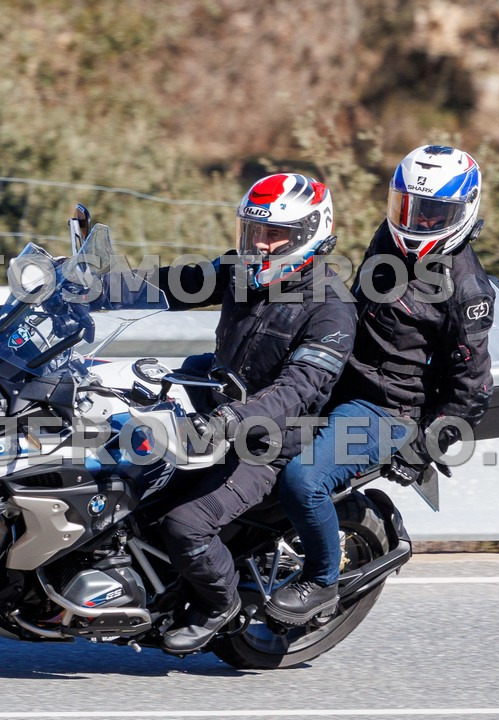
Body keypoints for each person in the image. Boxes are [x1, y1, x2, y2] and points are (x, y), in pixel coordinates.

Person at [267, 145, 495, 626]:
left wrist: (425, 446)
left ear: (463, 211)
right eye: (409, 206)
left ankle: (322, 581)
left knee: (303, 481)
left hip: (386, 408)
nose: (418, 220)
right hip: (340, 374)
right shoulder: (389, 238)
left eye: (434, 213)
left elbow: (473, 386)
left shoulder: (468, 291)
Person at [155, 173, 357, 654]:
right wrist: (90, 284)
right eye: (253, 231)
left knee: (185, 523)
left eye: (274, 234)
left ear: (309, 234)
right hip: (219, 419)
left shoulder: (330, 309)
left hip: (267, 445)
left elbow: (297, 389)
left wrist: (234, 420)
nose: (260, 244)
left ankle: (219, 604)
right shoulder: (242, 272)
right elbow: (172, 284)